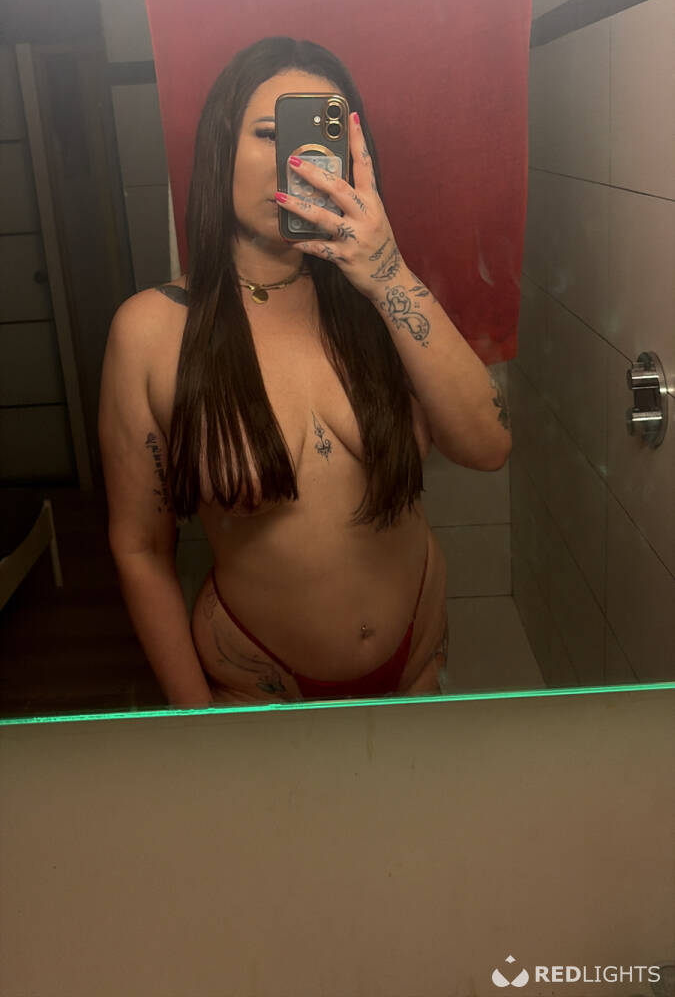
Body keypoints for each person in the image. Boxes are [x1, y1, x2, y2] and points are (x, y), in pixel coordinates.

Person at [98, 36, 511, 708]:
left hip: (417, 659)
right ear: (220, 148)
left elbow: (488, 447)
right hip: (258, 680)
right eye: (269, 133)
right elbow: (140, 547)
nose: (294, 160)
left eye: (319, 139)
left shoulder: (383, 300)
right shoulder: (152, 330)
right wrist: (193, 721)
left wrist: (386, 275)